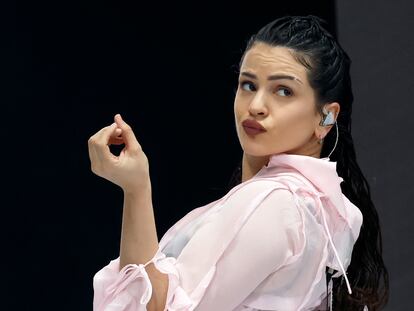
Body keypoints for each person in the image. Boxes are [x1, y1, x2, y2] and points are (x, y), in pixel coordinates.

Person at [88, 15, 389, 311]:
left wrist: (137, 189)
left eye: (283, 91)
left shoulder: (278, 203)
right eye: (248, 85)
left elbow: (156, 308)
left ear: (326, 117)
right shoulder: (322, 210)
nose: (256, 106)